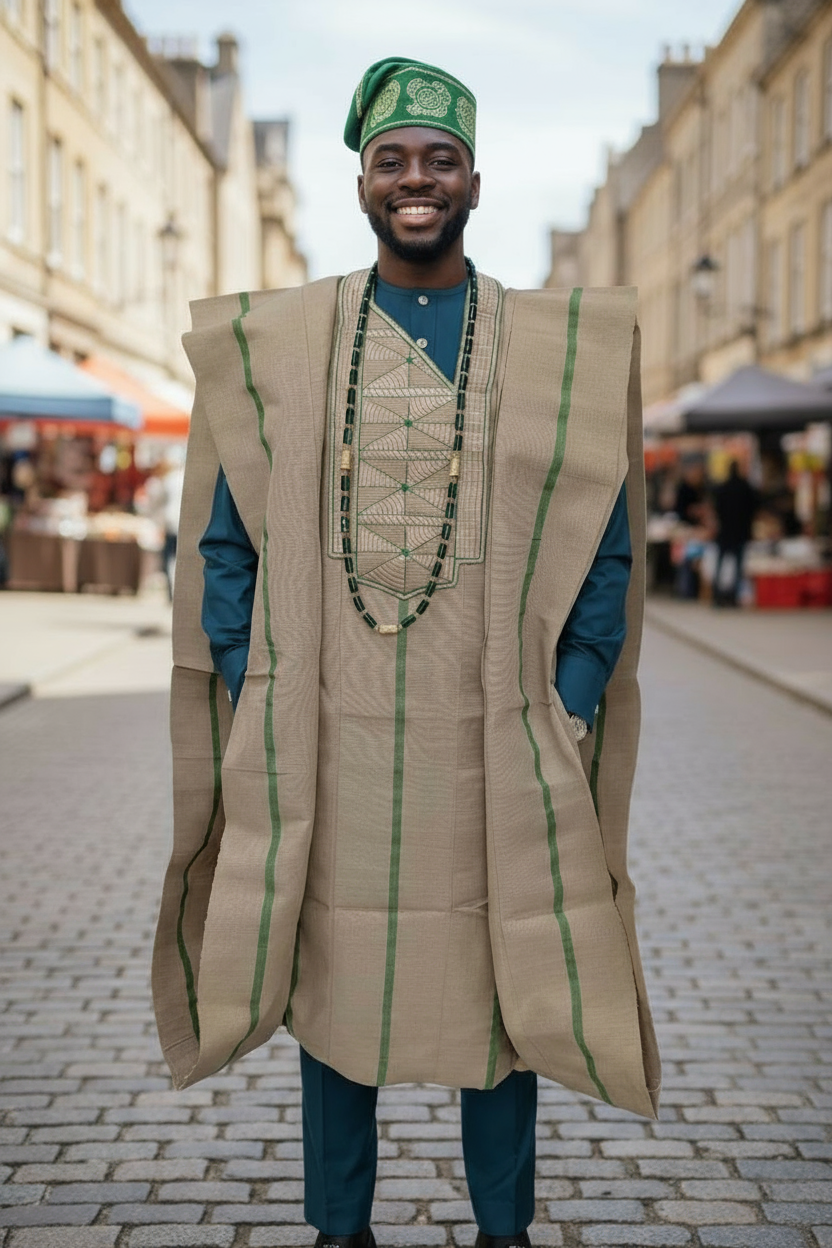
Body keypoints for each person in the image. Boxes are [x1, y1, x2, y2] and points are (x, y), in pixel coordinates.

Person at [152, 58, 660, 1248]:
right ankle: (341, 1232)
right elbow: (226, 547)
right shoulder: (282, 345)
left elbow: (603, 546)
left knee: (501, 984)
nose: (415, 179)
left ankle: (503, 1231)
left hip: (496, 742)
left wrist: (568, 699)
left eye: (440, 159)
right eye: (392, 160)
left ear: (475, 183)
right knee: (334, 989)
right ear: (362, 184)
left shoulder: (553, 350)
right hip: (328, 746)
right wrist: (260, 691)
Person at [712, 460, 758, 607]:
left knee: (720, 565)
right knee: (738, 568)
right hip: (740, 532)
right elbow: (753, 509)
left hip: (724, 532)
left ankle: (716, 595)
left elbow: (717, 509)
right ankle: (734, 597)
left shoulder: (723, 487)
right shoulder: (745, 487)